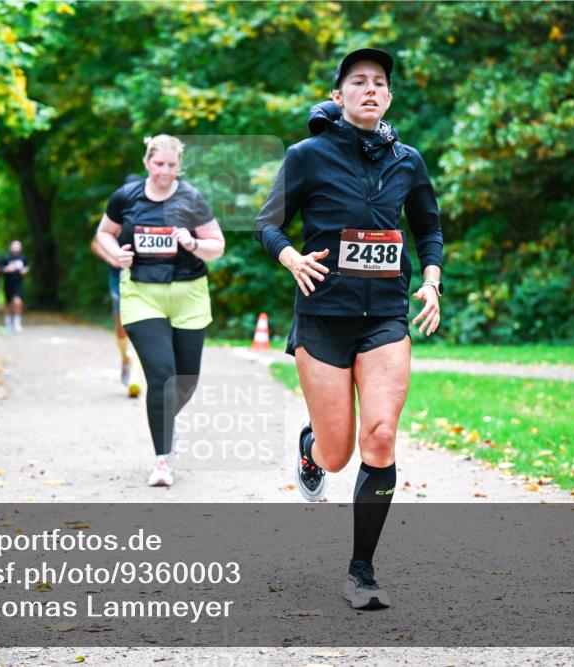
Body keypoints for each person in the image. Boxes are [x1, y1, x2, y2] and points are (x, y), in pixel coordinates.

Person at [254, 48, 443, 610]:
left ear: (388, 96)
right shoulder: (306, 155)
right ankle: (312, 444)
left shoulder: (408, 160)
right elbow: (267, 224)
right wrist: (290, 257)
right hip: (323, 317)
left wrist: (431, 281)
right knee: (337, 456)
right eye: (356, 81)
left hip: (385, 316)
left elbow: (429, 228)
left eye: (378, 82)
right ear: (338, 96)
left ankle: (362, 571)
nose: (369, 89)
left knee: (380, 436)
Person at [96, 135, 225, 487]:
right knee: (162, 375)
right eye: (158, 164)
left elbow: (217, 245)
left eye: (171, 165)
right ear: (147, 162)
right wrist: (115, 254)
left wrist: (195, 243)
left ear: (179, 166)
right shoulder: (127, 197)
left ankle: (165, 422)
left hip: (189, 294)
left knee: (186, 380)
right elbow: (103, 234)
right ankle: (162, 461)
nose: (164, 171)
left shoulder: (192, 198)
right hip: (142, 294)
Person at [90, 235, 141, 398]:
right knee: (121, 329)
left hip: (144, 277)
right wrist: (111, 258)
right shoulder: (116, 214)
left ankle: (136, 378)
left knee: (142, 327)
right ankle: (125, 358)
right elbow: (96, 243)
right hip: (118, 277)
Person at [1, 240, 30, 333]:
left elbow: (27, 268)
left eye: (17, 246)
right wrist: (8, 269)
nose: (15, 248)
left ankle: (17, 322)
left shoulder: (23, 257)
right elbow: (0, 269)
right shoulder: (5, 258)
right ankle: (8, 322)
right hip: (8, 284)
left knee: (18, 302)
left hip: (19, 284)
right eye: (14, 246)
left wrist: (24, 271)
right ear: (10, 247)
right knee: (8, 303)